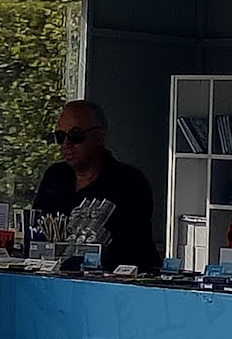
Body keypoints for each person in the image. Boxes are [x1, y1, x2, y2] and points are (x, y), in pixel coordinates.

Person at [32, 99, 160, 271]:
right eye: (60, 137)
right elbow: (37, 230)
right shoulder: (54, 176)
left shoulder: (129, 182)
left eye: (75, 136)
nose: (66, 145)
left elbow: (130, 246)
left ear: (99, 136)